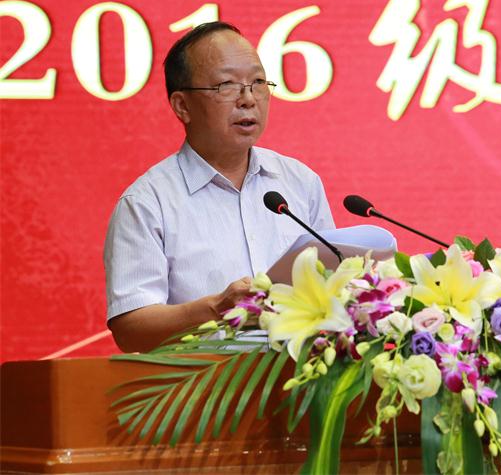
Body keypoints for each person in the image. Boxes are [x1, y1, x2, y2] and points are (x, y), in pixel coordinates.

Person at [104, 22, 334, 353]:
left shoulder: (300, 182)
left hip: (297, 378)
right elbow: (131, 329)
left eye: (258, 83)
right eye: (226, 85)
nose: (248, 99)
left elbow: (330, 284)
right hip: (204, 383)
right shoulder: (146, 202)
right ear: (182, 106)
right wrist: (216, 308)